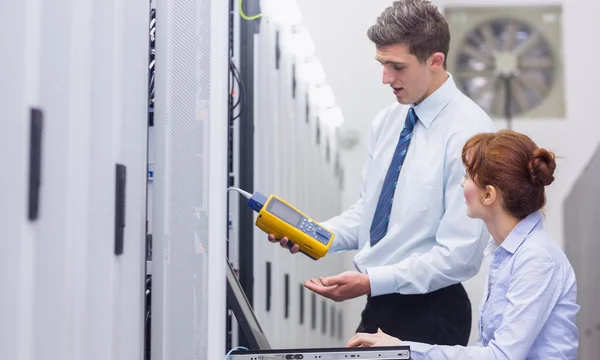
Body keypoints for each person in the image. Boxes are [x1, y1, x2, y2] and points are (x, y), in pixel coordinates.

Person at [269, 0, 496, 346]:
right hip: (379, 304)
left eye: (396, 66)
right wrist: (314, 234)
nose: (386, 78)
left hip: (431, 309)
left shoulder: (470, 133)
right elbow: (370, 213)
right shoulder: (388, 122)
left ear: (435, 60)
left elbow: (460, 255)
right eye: (382, 64)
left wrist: (372, 280)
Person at [346, 130, 580, 359]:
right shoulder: (505, 253)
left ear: (488, 195)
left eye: (468, 175)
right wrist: (401, 348)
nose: (461, 184)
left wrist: (405, 349)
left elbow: (502, 356)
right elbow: (487, 349)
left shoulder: (536, 258)